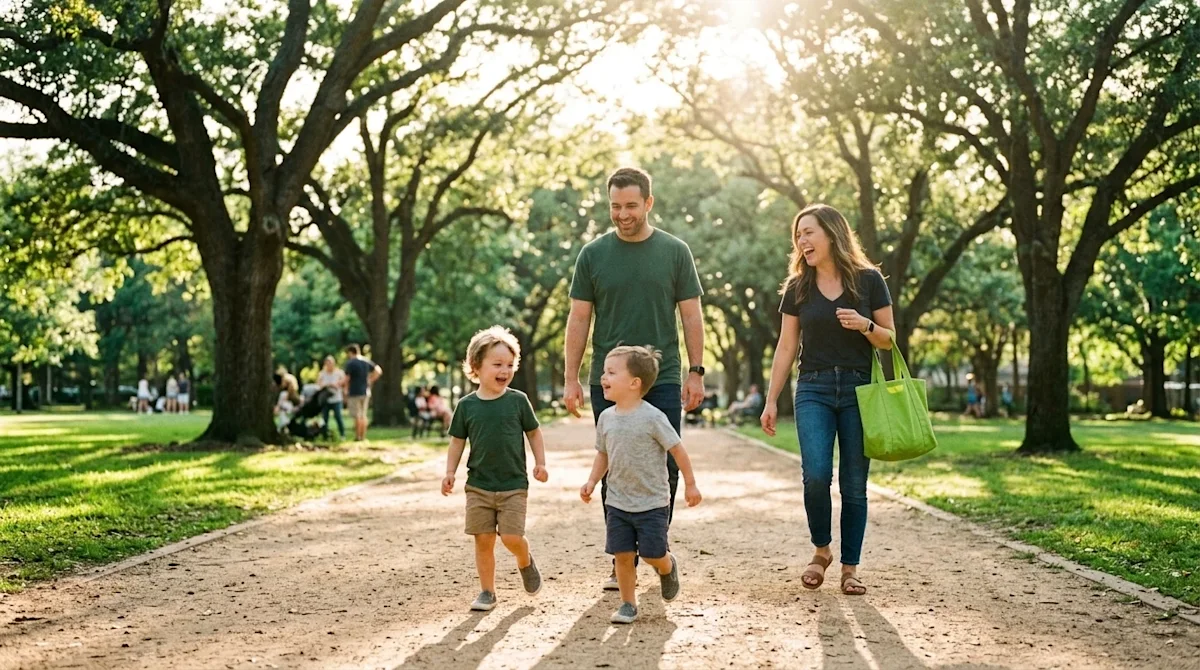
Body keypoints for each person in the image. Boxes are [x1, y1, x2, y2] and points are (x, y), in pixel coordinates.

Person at [563, 166, 706, 590]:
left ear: (648, 202)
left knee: (664, 465)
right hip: (608, 379)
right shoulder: (592, 254)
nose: (622, 214)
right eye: (615, 206)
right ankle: (621, 559)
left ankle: (655, 548)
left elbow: (692, 315)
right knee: (614, 464)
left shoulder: (675, 251)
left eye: (630, 206)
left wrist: (695, 372)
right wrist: (571, 377)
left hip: (661, 379)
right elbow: (579, 317)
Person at [760, 204, 896, 597]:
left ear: (832, 234)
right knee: (816, 475)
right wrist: (771, 401)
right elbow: (786, 346)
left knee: (855, 484)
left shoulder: (869, 281)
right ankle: (821, 550)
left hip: (859, 390)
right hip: (814, 389)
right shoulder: (797, 287)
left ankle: (850, 568)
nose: (801, 241)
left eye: (808, 232)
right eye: (798, 235)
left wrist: (866, 325)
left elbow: (890, 338)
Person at [580, 345, 702, 624]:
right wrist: (591, 480)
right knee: (622, 556)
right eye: (603, 371)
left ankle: (667, 566)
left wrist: (691, 484)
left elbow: (678, 450)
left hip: (652, 502)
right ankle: (627, 604)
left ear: (635, 383)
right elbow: (603, 453)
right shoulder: (606, 418)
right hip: (618, 501)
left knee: (652, 553)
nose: (603, 377)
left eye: (611, 372)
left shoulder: (653, 418)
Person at [442, 326, 548, 612]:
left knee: (512, 537)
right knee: (484, 539)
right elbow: (457, 442)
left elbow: (534, 433)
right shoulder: (466, 406)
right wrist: (450, 472)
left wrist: (540, 462)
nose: (505, 370)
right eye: (497, 364)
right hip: (479, 485)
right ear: (476, 366)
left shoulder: (518, 401)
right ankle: (487, 591)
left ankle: (524, 560)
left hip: (513, 484)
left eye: (510, 365)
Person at [343, 344, 382, 441]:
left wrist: (344, 389)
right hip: (365, 391)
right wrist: (370, 380)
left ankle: (357, 436)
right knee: (363, 415)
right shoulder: (366, 361)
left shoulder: (351, 363)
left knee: (357, 415)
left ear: (350, 352)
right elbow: (378, 370)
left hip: (354, 391)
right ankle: (363, 436)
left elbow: (347, 378)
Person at [317, 356, 346, 440]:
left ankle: (342, 434)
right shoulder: (322, 374)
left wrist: (336, 385)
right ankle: (324, 435)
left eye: (330, 363)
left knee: (338, 416)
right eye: (327, 363)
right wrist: (326, 385)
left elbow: (343, 382)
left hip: (336, 398)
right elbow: (318, 384)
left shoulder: (339, 373)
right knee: (324, 418)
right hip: (326, 400)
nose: (329, 365)